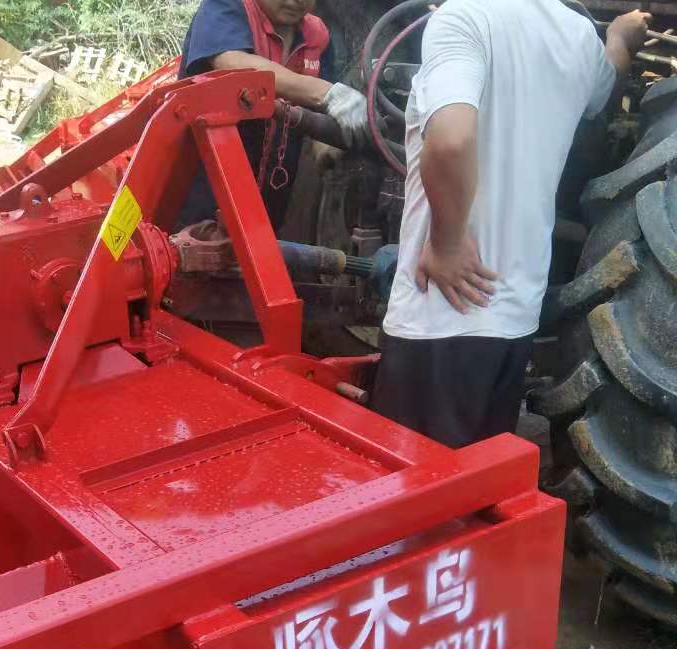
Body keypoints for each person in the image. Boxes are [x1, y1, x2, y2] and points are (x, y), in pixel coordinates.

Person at [370, 0, 652, 449]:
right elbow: (604, 85)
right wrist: (619, 39)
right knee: (480, 476)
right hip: (514, 319)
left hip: (442, 311)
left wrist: (447, 243)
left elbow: (450, 140)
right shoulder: (578, 36)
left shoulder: (463, 17)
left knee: (413, 479)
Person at [175, 0, 370, 230]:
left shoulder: (317, 37)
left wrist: (329, 145)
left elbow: (319, 111)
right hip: (204, 183)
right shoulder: (226, 7)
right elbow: (231, 62)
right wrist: (328, 93)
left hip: (272, 191)